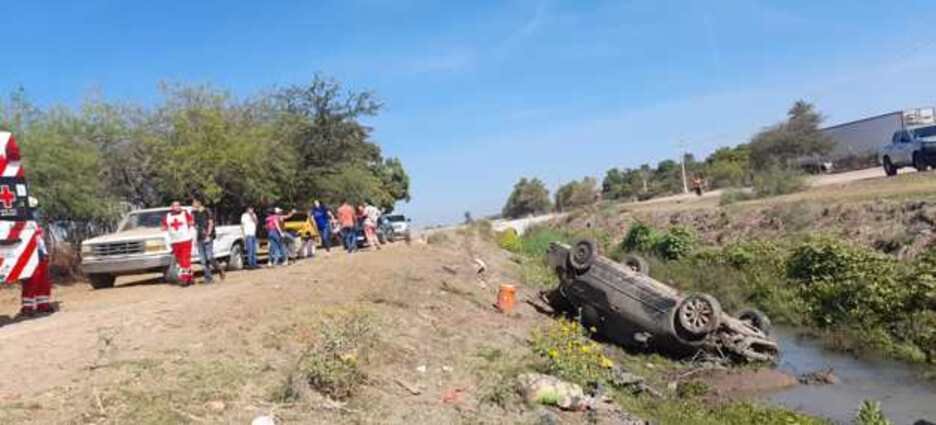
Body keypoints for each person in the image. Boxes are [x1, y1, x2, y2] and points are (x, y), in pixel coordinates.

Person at [20, 227, 53, 316]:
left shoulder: (37, 229)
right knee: (31, 282)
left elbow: (41, 243)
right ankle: (27, 307)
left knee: (43, 283)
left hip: (41, 257)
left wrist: (45, 256)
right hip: (30, 257)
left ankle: (43, 304)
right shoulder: (25, 228)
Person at [162, 201, 195, 286]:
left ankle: (184, 278)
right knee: (180, 261)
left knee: (185, 260)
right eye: (174, 205)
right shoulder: (167, 216)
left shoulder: (184, 213)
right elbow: (164, 227)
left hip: (185, 240)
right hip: (175, 241)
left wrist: (190, 232)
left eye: (178, 205)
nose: (176, 207)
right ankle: (190, 277)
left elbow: (191, 223)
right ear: (171, 207)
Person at [192, 199, 225, 283]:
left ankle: (219, 269)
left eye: (194, 202)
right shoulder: (195, 213)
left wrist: (208, 235)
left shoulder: (207, 211)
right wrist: (195, 239)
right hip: (199, 237)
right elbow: (196, 227)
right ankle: (208, 277)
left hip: (207, 237)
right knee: (203, 260)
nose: (193, 204)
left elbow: (211, 223)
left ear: (199, 203)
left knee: (209, 257)